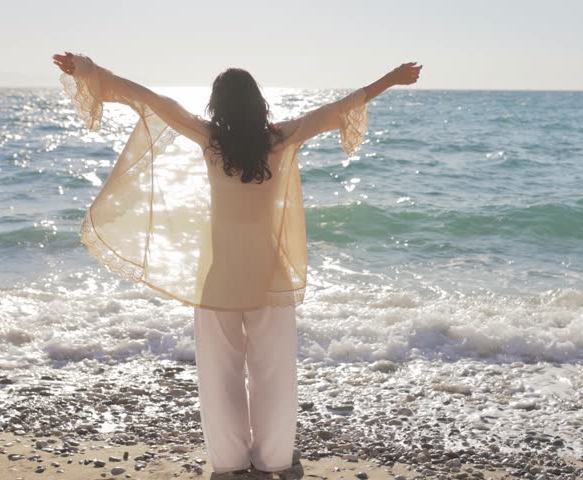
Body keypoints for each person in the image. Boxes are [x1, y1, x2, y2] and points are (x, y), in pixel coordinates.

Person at [52, 51, 421, 474]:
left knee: (219, 375)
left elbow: (149, 99)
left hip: (219, 279)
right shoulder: (281, 138)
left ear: (217, 106)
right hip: (270, 278)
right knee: (274, 374)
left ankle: (228, 464)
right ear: (258, 103)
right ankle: (273, 460)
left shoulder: (209, 139)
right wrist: (390, 79)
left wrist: (89, 71)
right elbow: (339, 108)